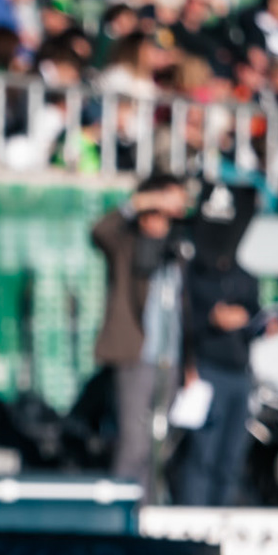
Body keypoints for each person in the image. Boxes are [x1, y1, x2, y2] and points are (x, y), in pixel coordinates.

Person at [178, 186, 278, 507]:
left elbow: (255, 317)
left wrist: (257, 323)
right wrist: (213, 319)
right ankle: (195, 519)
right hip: (207, 370)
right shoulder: (193, 273)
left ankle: (221, 518)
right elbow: (182, 322)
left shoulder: (245, 277)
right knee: (203, 455)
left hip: (240, 374)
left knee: (232, 456)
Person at [91, 174, 190, 494]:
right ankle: (123, 509)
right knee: (134, 442)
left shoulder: (179, 249)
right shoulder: (126, 243)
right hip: (136, 355)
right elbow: (100, 230)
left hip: (170, 358)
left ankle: (147, 506)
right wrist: (147, 201)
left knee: (159, 446)